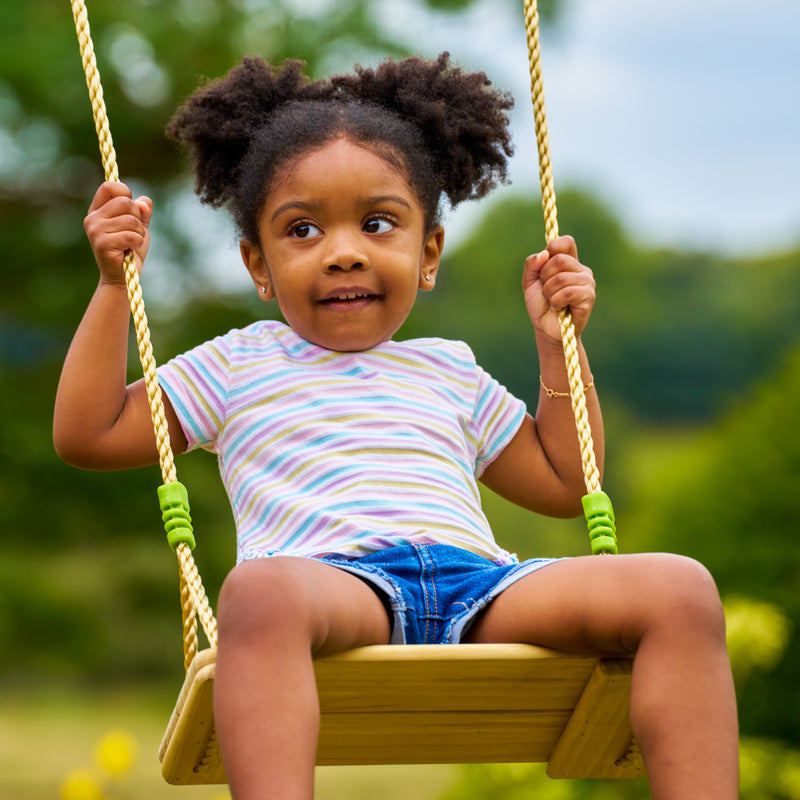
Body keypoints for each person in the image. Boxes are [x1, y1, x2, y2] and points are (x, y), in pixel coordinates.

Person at [53, 53, 738, 800]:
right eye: (303, 230)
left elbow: (569, 482)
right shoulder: (236, 364)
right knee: (256, 594)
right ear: (258, 264)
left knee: (681, 588)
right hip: (337, 592)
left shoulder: (449, 369)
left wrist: (555, 343)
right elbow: (90, 433)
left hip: (482, 589)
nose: (344, 252)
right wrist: (115, 287)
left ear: (429, 251)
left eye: (378, 224)